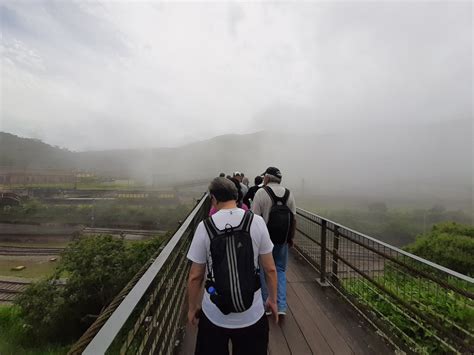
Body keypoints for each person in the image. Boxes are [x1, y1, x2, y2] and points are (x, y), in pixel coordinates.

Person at [187, 177, 278, 355]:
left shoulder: (204, 227)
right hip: (252, 313)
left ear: (213, 198)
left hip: (214, 314)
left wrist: (192, 308)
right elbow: (270, 269)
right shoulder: (256, 222)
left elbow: (195, 276)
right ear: (237, 196)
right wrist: (273, 300)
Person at [252, 167, 296, 316]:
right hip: (282, 239)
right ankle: (281, 305)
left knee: (265, 270)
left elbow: (254, 218)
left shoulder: (261, 193)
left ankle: (267, 304)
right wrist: (290, 238)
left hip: (265, 241)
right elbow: (294, 218)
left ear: (267, 178)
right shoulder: (289, 194)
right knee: (280, 270)